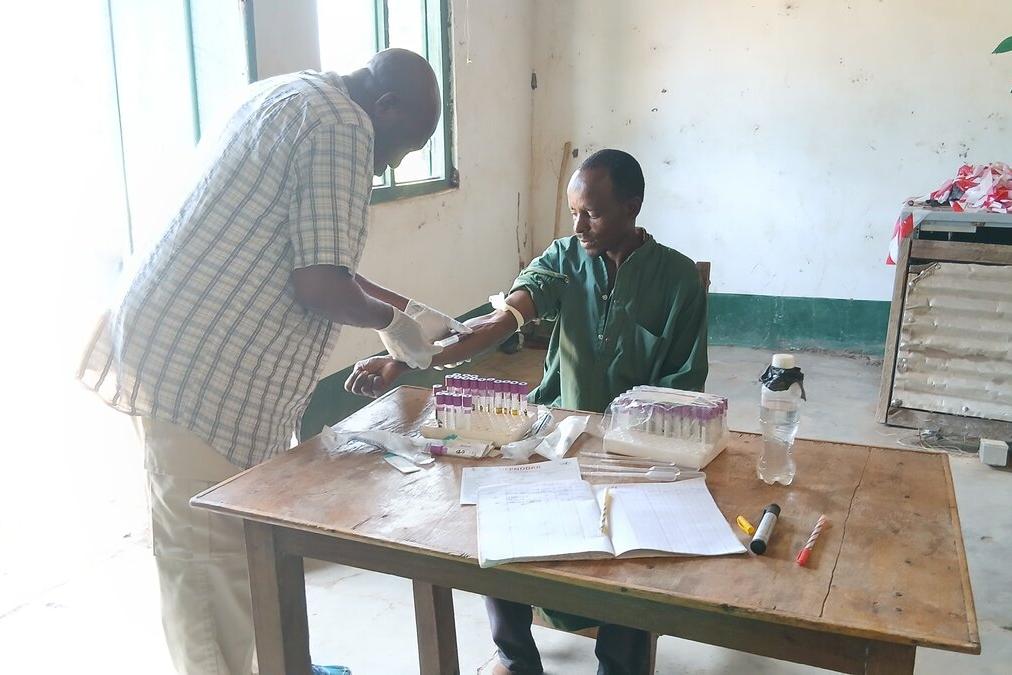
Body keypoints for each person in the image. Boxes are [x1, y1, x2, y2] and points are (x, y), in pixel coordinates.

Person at [78, 48, 464, 675]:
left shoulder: (292, 94)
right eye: (403, 148)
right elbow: (318, 284)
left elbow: (322, 258)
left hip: (182, 350)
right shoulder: (343, 126)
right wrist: (392, 325)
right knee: (210, 564)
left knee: (235, 552)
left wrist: (411, 308)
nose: (392, 167)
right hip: (197, 375)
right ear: (385, 107)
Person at [346, 149, 708, 675]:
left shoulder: (676, 280)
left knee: (635, 549)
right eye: (574, 213)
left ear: (633, 208)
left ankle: (621, 664)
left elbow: (686, 384)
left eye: (594, 213)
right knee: (501, 515)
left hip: (635, 442)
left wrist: (629, 435)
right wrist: (408, 358)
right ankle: (515, 658)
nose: (579, 226)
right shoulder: (564, 259)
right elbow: (499, 321)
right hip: (557, 426)